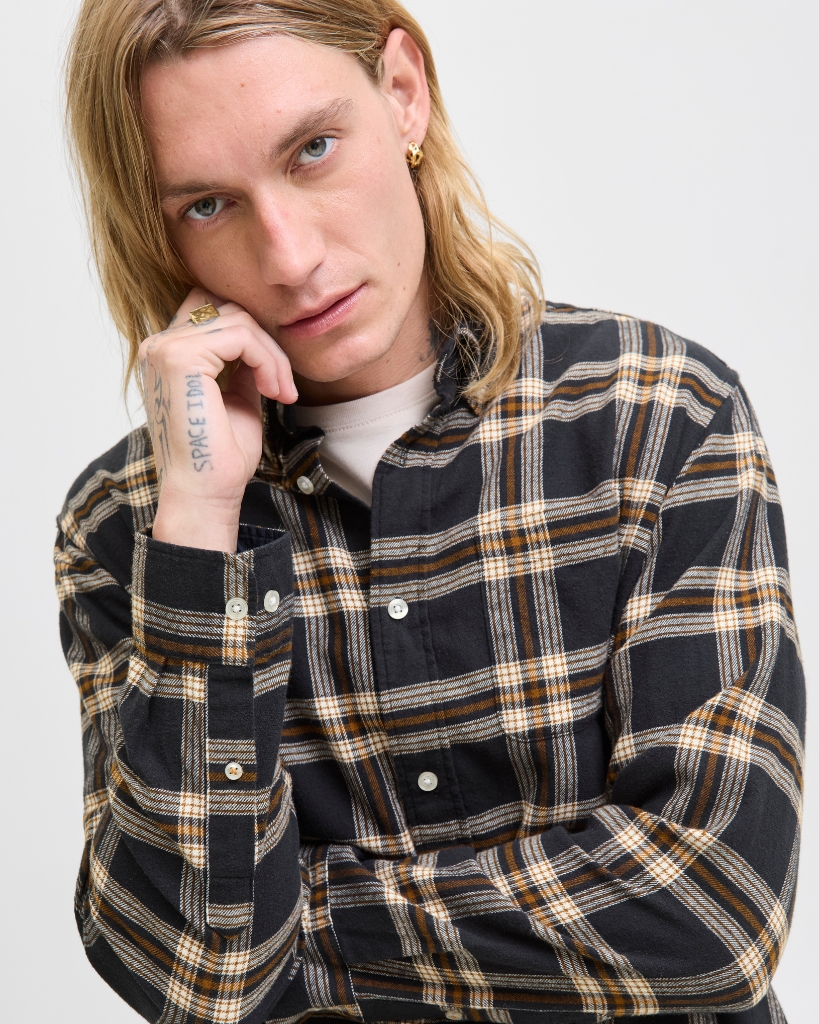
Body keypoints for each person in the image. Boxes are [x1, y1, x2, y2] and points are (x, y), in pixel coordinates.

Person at [55, 2, 804, 1023]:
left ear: (402, 94)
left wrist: (297, 934)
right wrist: (198, 523)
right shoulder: (129, 527)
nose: (288, 255)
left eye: (312, 150)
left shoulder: (655, 416)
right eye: (208, 205)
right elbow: (193, 973)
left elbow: (715, 911)